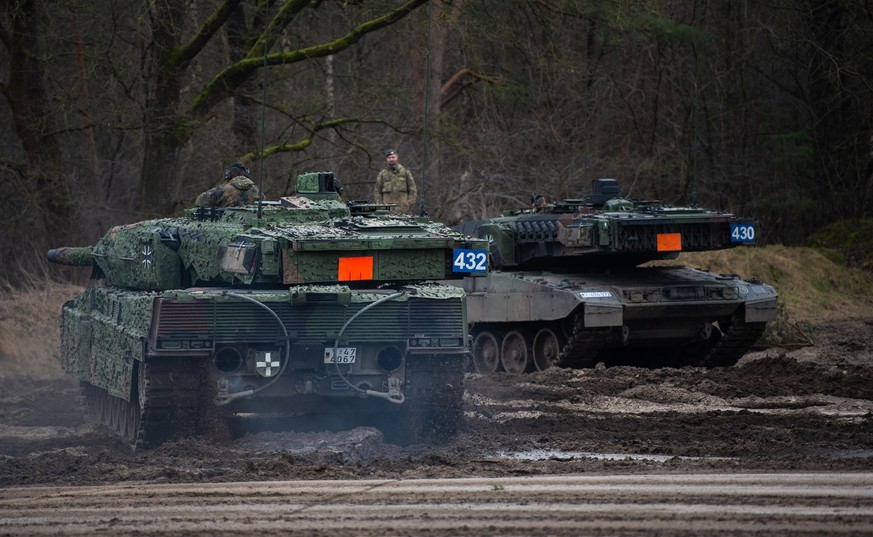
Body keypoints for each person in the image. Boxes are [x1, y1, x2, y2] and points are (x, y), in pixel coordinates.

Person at [195, 162, 262, 207]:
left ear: (229, 174)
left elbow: (199, 201)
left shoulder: (222, 190)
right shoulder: (257, 191)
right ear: (246, 174)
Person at [374, 149, 418, 214]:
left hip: (404, 211)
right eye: (389, 157)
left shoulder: (405, 172)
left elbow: (413, 190)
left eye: (393, 157)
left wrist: (408, 205)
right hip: (387, 211)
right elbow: (377, 191)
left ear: (397, 157)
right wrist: (381, 206)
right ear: (386, 159)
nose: (391, 159)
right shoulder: (382, 174)